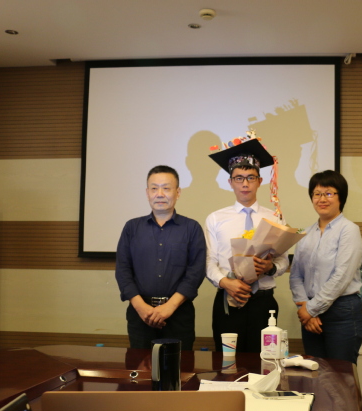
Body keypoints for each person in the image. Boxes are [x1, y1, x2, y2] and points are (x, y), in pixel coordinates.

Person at [206, 138, 289, 353]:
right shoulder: (216, 218)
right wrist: (225, 282)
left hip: (263, 302)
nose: (245, 184)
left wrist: (270, 268)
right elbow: (209, 261)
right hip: (228, 299)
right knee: (227, 361)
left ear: (259, 181)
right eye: (239, 178)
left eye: (250, 178)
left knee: (264, 360)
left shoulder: (275, 218)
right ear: (230, 182)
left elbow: (283, 260)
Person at [116, 165, 206, 350]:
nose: (159, 194)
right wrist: (141, 307)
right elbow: (123, 270)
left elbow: (196, 272)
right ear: (147, 192)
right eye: (154, 188)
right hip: (140, 315)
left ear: (178, 192)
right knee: (140, 366)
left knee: (179, 366)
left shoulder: (192, 228)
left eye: (166, 188)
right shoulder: (132, 228)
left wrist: (169, 307)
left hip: (179, 314)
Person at [290, 170, 362, 365]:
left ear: (341, 197)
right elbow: (296, 275)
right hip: (309, 311)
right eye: (317, 194)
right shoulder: (305, 233)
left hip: (342, 312)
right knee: (315, 372)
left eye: (329, 193)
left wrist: (310, 310)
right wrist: (304, 307)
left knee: (341, 375)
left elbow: (342, 276)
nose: (322, 199)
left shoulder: (349, 230)